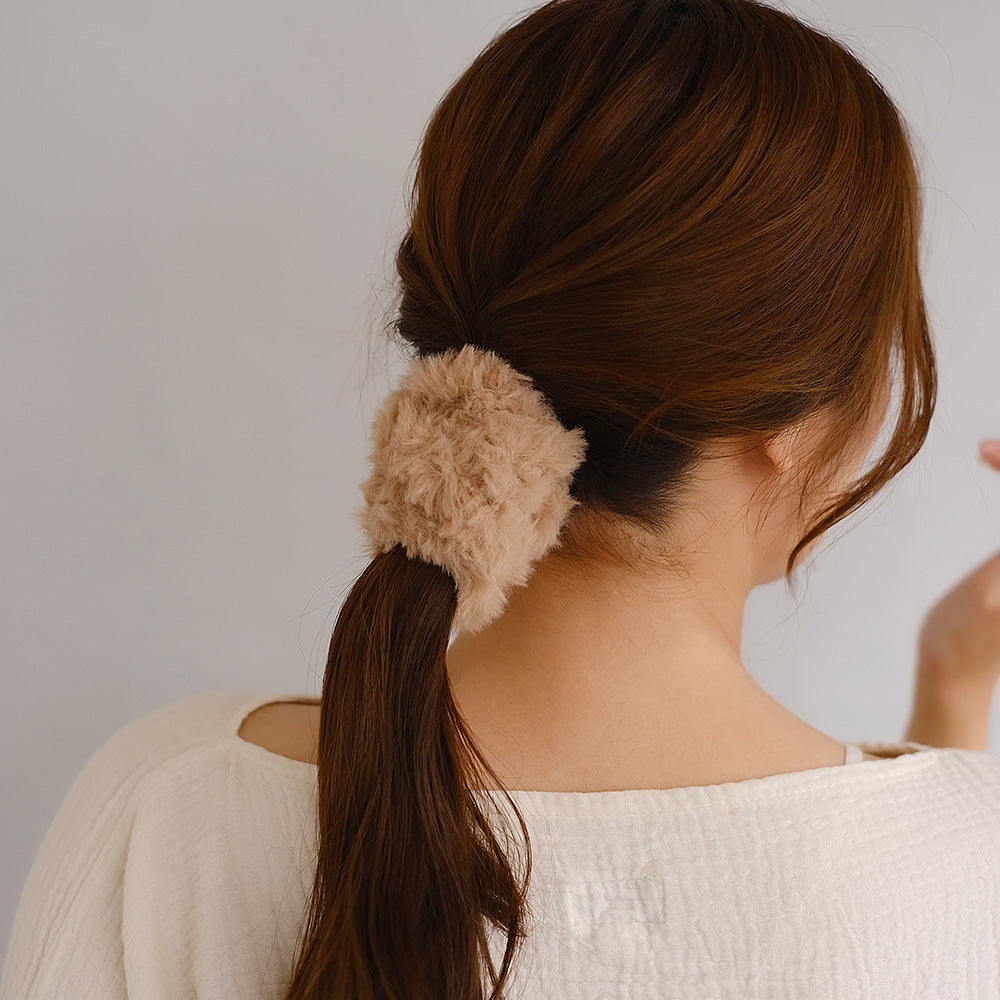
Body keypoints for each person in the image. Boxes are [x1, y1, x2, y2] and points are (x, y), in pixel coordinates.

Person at [4, 0, 1000, 997]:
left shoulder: (172, 806)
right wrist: (953, 713)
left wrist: (949, 692)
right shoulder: (969, 864)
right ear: (784, 419)